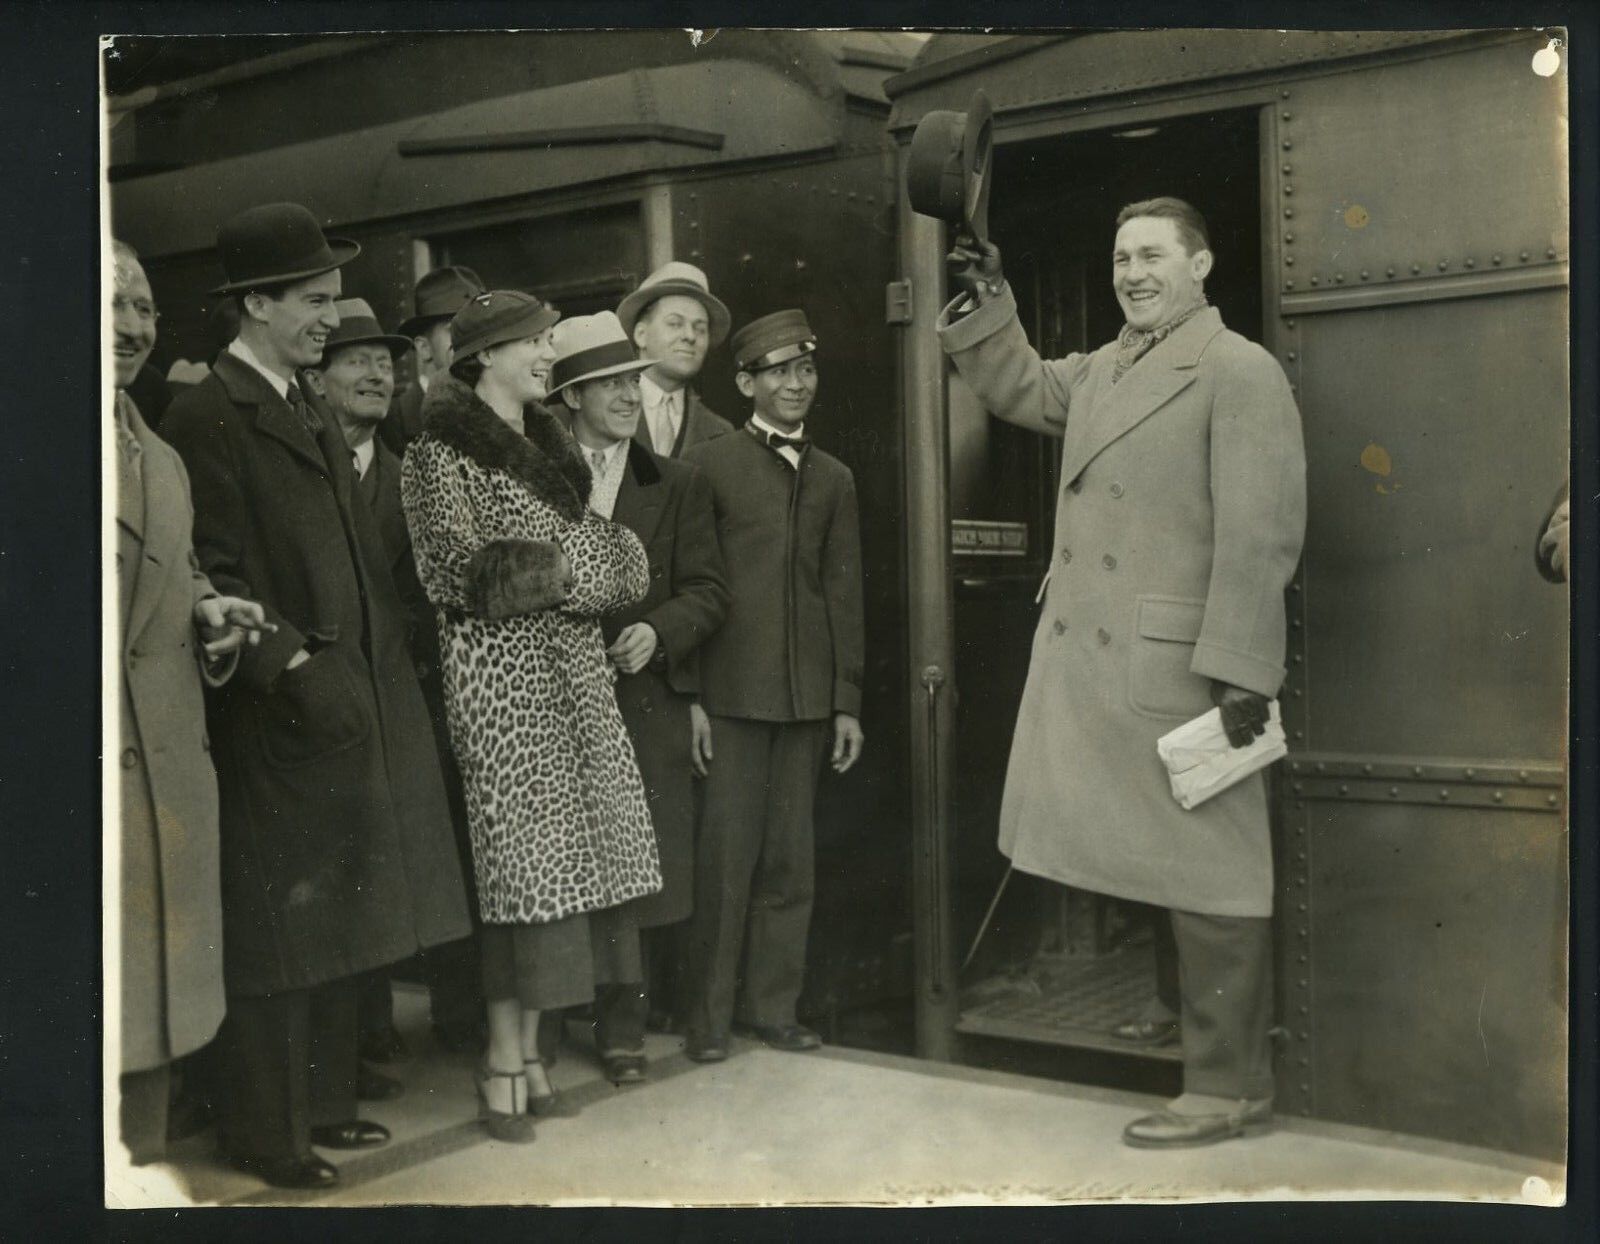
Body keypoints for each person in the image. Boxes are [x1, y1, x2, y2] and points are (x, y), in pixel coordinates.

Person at [942, 197, 1307, 1148]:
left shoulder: (1238, 370)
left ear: (1202, 264)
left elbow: (1260, 533)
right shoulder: (1106, 369)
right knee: (1162, 866)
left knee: (1215, 879)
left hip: (1190, 671)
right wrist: (988, 295)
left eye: (1152, 255)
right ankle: (1196, 1042)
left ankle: (1229, 1088)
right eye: (1120, 259)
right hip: (1120, 668)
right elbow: (1018, 383)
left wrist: (1240, 673)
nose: (1132, 273)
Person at [160, 202, 473, 1189]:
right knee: (277, 933)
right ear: (254, 302)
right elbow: (200, 571)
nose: (330, 314)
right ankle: (265, 1129)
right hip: (278, 717)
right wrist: (287, 665)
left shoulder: (294, 402)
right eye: (313, 297)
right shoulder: (209, 414)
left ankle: (320, 1105)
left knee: (336, 914)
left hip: (342, 702)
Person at [400, 294, 662, 1142]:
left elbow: (627, 569)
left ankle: (526, 1054)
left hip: (572, 686)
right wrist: (586, 566)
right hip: (501, 690)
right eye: (534, 342)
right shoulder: (440, 449)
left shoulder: (549, 444)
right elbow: (457, 574)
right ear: (486, 357)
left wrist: (576, 567)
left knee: (559, 880)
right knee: (519, 879)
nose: (549, 352)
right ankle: (502, 1058)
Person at [111, 240, 268, 1164]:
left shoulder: (158, 454)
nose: (133, 326)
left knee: (152, 1030)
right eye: (114, 305)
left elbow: (172, 572)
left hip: (160, 779)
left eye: (146, 310)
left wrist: (209, 609)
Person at [302, 298, 484, 1077]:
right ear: (314, 378)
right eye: (357, 361)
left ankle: (411, 1025)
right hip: (328, 697)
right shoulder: (304, 466)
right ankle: (356, 1034)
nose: (380, 373)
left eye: (387, 362)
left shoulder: (411, 477)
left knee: (406, 855)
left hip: (412, 694)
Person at [679, 309, 866, 1063]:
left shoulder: (835, 478)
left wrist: (845, 699)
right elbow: (691, 583)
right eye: (779, 372)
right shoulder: (712, 467)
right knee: (725, 866)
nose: (796, 385)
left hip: (805, 703)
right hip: (730, 699)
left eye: (806, 370)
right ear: (746, 382)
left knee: (790, 863)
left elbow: (843, 593)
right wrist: (689, 692)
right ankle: (708, 1021)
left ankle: (772, 1010)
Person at [551, 312, 730, 1082]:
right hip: (551, 701)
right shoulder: (534, 478)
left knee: (629, 868)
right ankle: (547, 1019)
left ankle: (621, 1031)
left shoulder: (676, 482)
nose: (628, 395)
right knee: (557, 859)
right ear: (569, 397)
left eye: (632, 380)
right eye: (609, 384)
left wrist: (659, 632)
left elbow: (709, 591)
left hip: (640, 702)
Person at [616, 261, 734, 457]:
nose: (690, 335)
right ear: (641, 335)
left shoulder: (721, 432)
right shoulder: (602, 412)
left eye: (700, 328)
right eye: (675, 323)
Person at [380, 264, 485, 455]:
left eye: (477, 330)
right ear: (424, 348)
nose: (471, 342)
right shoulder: (391, 422)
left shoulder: (497, 409)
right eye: (454, 330)